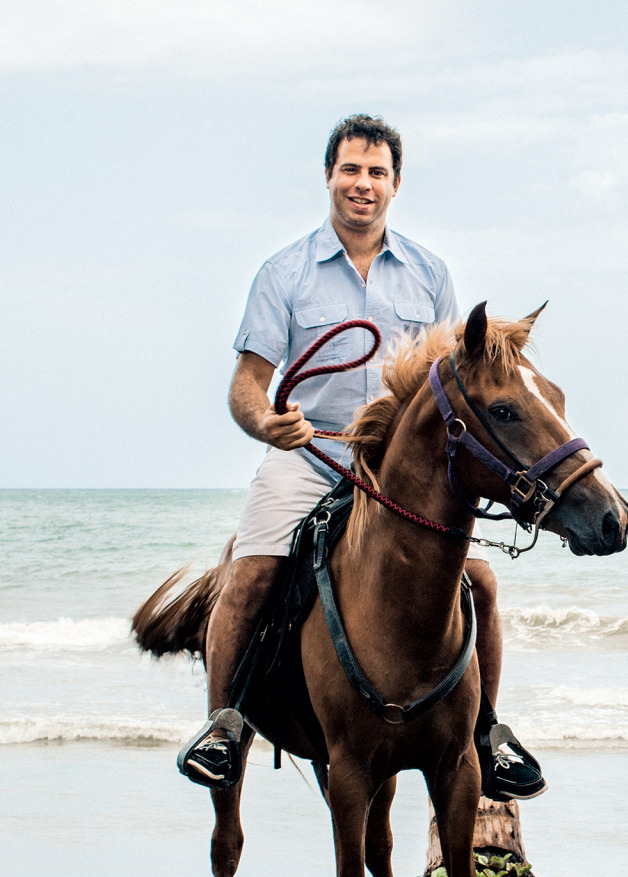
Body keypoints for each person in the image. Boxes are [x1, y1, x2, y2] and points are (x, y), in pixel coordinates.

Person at [176, 113, 545, 803]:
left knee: (484, 585)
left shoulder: (430, 272)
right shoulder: (282, 272)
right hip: (310, 451)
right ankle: (223, 727)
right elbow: (247, 383)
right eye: (351, 169)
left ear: (395, 184)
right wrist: (267, 422)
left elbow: (456, 379)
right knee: (250, 577)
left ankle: (488, 734)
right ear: (328, 177)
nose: (362, 184)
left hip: (402, 469)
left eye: (377, 172)